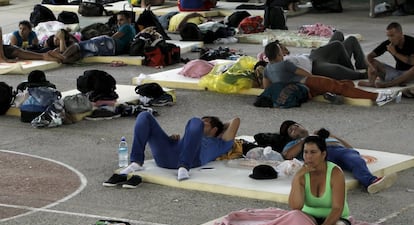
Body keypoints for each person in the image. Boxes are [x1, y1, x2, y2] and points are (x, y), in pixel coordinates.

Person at [103, 112, 240, 187]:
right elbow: (190, 134)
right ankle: (136, 162)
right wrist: (172, 140)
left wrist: (220, 127)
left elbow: (235, 120)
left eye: (206, 123)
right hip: (169, 153)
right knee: (144, 116)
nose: (200, 125)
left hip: (191, 159)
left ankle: (183, 167)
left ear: (215, 129)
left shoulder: (220, 143)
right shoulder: (191, 136)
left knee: (194, 121)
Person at [262, 41, 400, 106]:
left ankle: (330, 93)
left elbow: (267, 88)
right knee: (340, 87)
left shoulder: (267, 69)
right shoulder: (285, 63)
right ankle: (377, 97)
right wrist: (319, 79)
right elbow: (304, 73)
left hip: (298, 91)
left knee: (343, 85)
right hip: (305, 83)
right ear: (279, 53)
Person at [280, 120, 398, 194]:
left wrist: (330, 135)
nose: (295, 129)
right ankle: (370, 181)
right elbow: (287, 155)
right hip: (321, 155)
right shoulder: (294, 143)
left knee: (356, 160)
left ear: (302, 126)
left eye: (296, 126)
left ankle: (371, 182)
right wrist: (307, 139)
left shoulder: (320, 134)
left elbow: (350, 148)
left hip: (341, 151)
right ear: (290, 137)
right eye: (291, 130)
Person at [288, 135, 351, 225]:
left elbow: (337, 208)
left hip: (335, 219)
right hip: (310, 218)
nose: (308, 157)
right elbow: (296, 207)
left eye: (313, 152)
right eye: (305, 152)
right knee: (293, 217)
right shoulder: (302, 174)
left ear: (323, 154)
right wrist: (297, 178)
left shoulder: (335, 172)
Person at [258, 31, 368, 80]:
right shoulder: (280, 65)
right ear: (277, 55)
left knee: (343, 37)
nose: (283, 49)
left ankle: (360, 64)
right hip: (315, 67)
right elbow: (307, 75)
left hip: (314, 55)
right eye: (281, 49)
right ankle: (355, 73)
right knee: (337, 46)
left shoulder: (284, 57)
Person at [358, 22, 414, 88]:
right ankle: (371, 83)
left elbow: (411, 62)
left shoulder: (411, 42)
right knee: (372, 62)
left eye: (392, 35)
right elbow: (368, 56)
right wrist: (371, 67)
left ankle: (388, 84)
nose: (390, 39)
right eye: (388, 36)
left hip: (410, 75)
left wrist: (395, 53)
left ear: (401, 34)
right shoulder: (389, 43)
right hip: (396, 73)